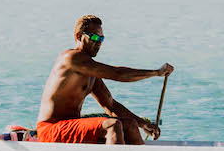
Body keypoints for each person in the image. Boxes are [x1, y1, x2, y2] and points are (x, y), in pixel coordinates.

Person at [36, 15, 174, 144]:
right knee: (112, 125)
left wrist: (143, 124)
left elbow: (111, 106)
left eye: (101, 39)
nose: (98, 43)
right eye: (94, 37)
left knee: (130, 125)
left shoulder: (91, 72)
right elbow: (117, 73)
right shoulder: (71, 58)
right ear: (79, 36)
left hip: (70, 127)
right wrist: (156, 72)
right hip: (51, 129)